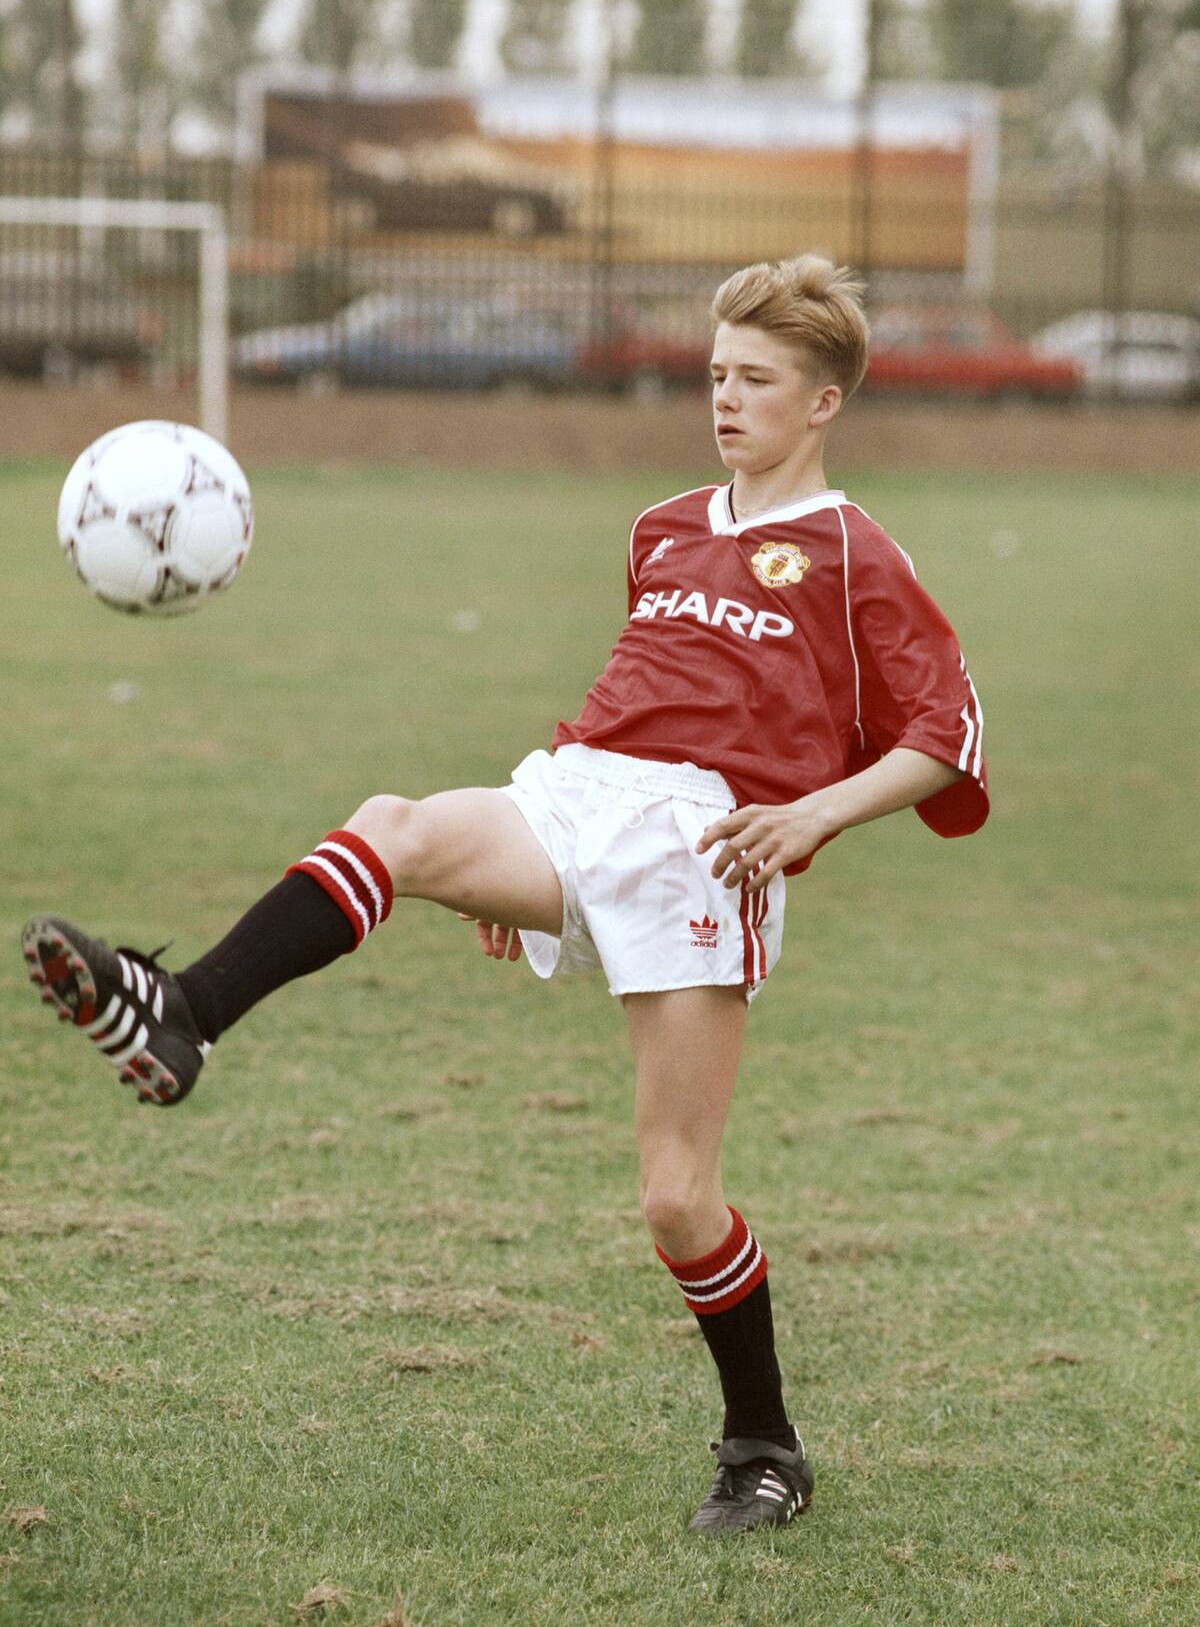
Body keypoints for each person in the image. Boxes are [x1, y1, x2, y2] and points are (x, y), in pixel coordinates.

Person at [22, 254, 987, 1537]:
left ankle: (765, 1446)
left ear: (823, 402)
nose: (724, 397)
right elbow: (638, 694)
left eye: (756, 380)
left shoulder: (855, 551)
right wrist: (528, 859)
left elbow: (948, 733)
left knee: (676, 1196)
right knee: (398, 828)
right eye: (715, 373)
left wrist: (815, 813)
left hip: (705, 849)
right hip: (581, 792)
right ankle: (179, 1010)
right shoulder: (662, 526)